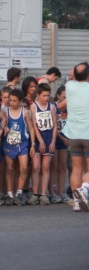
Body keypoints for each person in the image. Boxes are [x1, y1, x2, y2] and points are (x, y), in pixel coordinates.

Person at [63, 62, 89, 211]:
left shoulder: (69, 86)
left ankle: (76, 202)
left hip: (73, 134)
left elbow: (73, 73)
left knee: (76, 169)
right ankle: (84, 189)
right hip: (88, 133)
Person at [2, 89, 36, 206]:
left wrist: (33, 144)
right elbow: (2, 125)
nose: (11, 103)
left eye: (14, 101)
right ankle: (10, 193)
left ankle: (20, 192)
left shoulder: (25, 112)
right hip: (10, 144)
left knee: (24, 168)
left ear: (20, 101)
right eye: (10, 100)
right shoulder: (6, 111)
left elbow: (31, 128)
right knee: (9, 168)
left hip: (22, 143)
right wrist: (4, 129)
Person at [28, 83, 58, 205]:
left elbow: (55, 125)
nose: (46, 98)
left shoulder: (51, 107)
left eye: (48, 95)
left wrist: (53, 141)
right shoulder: (34, 107)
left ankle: (43, 194)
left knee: (46, 167)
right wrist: (38, 141)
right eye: (44, 95)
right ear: (38, 95)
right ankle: (35, 193)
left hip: (49, 137)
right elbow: (34, 125)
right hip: (38, 137)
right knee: (36, 167)